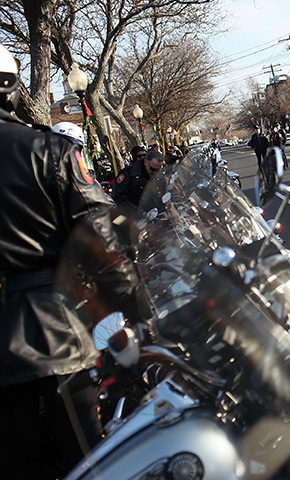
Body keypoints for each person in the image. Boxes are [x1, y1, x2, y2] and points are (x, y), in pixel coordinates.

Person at [0, 43, 146, 478]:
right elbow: (101, 240)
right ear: (10, 86)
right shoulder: (48, 150)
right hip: (55, 333)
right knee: (91, 460)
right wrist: (139, 317)